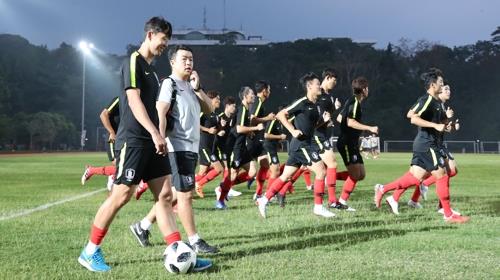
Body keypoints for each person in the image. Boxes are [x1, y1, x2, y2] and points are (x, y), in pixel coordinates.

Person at [78, 17, 212, 272]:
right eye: (163, 40)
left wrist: (159, 133)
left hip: (152, 142)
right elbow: (133, 100)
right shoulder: (133, 61)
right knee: (122, 194)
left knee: (164, 194)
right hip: (135, 139)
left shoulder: (152, 71)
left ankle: (179, 253)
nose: (165, 45)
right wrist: (154, 133)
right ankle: (90, 251)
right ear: (151, 34)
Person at [130, 45, 219, 254]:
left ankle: (142, 226)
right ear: (172, 62)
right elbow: (161, 111)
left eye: (191, 59)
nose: (189, 63)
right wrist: (159, 139)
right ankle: (195, 241)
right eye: (184, 59)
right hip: (175, 147)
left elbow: (210, 108)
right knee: (185, 195)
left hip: (190, 147)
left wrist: (198, 89)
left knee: (173, 195)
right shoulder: (169, 84)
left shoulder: (190, 86)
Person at [374, 68, 469, 223]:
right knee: (442, 174)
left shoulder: (437, 103)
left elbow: (438, 125)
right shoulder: (426, 100)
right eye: (441, 83)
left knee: (414, 178)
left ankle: (383, 189)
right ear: (433, 85)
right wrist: (435, 125)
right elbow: (411, 116)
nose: (443, 85)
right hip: (426, 144)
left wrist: (446, 121)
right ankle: (448, 214)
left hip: (429, 143)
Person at [257, 72, 335, 218]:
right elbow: (281, 114)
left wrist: (324, 121)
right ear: (309, 86)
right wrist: (292, 130)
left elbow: (314, 126)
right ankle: (318, 207)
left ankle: (264, 199)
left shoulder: (317, 106)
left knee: (285, 176)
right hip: (301, 145)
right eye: (317, 84)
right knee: (321, 171)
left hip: (303, 145)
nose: (320, 87)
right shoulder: (302, 102)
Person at [335, 77, 378, 211]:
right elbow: (349, 122)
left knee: (361, 175)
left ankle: (330, 176)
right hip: (346, 143)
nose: (368, 90)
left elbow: (339, 117)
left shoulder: (353, 101)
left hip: (352, 142)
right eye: (367, 88)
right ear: (364, 89)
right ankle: (342, 202)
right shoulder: (354, 102)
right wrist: (369, 128)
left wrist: (356, 133)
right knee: (354, 175)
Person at [216, 87, 264, 209]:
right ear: (245, 96)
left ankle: (223, 187)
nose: (254, 96)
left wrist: (249, 133)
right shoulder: (242, 110)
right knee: (232, 174)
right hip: (235, 148)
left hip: (242, 147)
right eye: (251, 94)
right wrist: (255, 129)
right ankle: (220, 200)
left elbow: (240, 128)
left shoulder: (245, 110)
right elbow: (238, 129)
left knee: (253, 172)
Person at [312, 68, 342, 208]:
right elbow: (314, 115)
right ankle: (332, 201)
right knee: (332, 164)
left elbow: (326, 116)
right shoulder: (318, 93)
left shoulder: (330, 97)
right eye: (334, 80)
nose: (335, 83)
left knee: (295, 168)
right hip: (316, 135)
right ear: (327, 78)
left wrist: (334, 109)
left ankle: (273, 194)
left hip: (323, 134)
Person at [80, 97, 119, 191]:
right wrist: (112, 132)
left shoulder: (136, 102)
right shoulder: (119, 99)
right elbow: (103, 115)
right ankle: (93, 171)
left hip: (125, 138)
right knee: (117, 163)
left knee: (128, 164)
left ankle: (111, 175)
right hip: (112, 138)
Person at [194, 90, 224, 198]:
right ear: (210, 99)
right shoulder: (204, 112)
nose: (219, 101)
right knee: (219, 169)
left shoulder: (216, 115)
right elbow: (194, 123)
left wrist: (221, 128)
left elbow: (216, 129)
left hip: (211, 146)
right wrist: (207, 130)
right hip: (204, 145)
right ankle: (199, 184)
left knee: (202, 172)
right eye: (217, 98)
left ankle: (185, 186)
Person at [249, 80, 276, 199]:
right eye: (269, 90)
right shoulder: (258, 101)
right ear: (264, 91)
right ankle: (222, 189)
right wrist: (268, 118)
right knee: (242, 172)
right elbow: (252, 119)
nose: (270, 92)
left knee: (265, 165)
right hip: (252, 140)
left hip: (257, 140)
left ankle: (259, 193)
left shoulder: (258, 102)